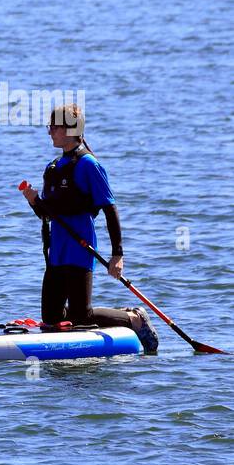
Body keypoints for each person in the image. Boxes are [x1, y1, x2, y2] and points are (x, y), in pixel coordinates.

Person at [20, 105, 158, 351]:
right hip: (57, 252)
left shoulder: (88, 165)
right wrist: (33, 201)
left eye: (55, 126)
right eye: (49, 126)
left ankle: (134, 319)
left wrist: (117, 254)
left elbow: (110, 209)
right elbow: (47, 214)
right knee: (51, 319)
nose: (49, 131)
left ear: (72, 130)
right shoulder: (52, 168)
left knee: (81, 317)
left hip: (80, 249)